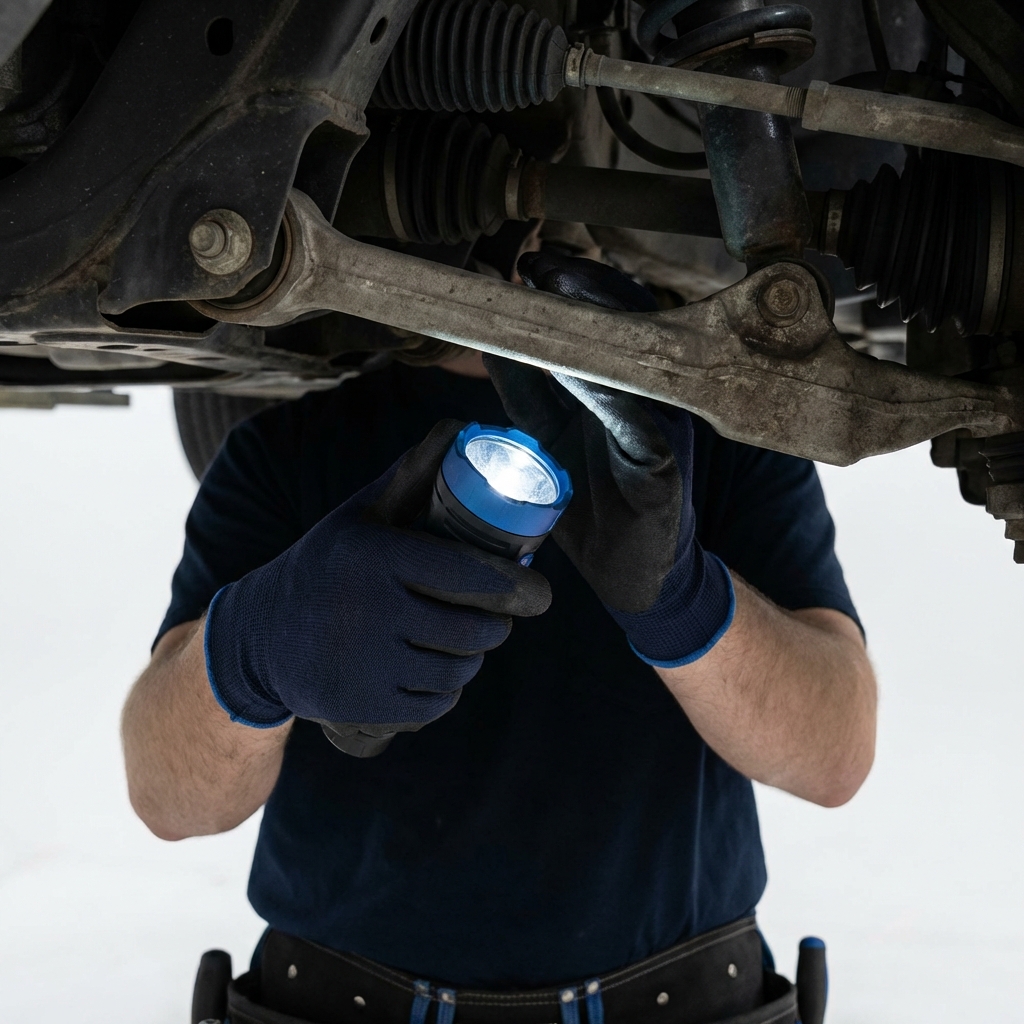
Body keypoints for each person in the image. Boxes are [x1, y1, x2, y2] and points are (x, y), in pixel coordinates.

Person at [122, 253, 876, 1024]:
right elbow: (168, 798)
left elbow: (833, 756)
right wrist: (252, 653)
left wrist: (683, 602)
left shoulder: (704, 447)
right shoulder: (283, 453)